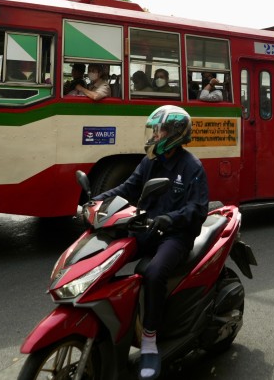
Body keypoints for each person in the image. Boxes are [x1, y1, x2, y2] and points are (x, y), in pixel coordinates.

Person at [91, 106, 209, 380]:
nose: (155, 135)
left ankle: (149, 340)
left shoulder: (191, 167)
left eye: (161, 130)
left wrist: (170, 219)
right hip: (146, 227)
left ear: (176, 134)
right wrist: (96, 201)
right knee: (107, 253)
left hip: (175, 235)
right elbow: (127, 188)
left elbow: (198, 209)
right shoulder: (150, 161)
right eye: (154, 130)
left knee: (154, 273)